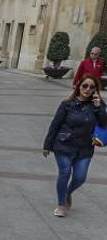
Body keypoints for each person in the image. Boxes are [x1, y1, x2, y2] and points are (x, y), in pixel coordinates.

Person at [43, 73, 107, 217]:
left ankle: (67, 193)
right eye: (85, 85)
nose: (88, 89)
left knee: (80, 177)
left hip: (85, 148)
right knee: (65, 172)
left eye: (92, 87)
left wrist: (98, 107)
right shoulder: (67, 104)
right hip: (64, 144)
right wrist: (47, 145)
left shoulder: (98, 105)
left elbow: (104, 124)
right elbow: (55, 125)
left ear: (95, 90)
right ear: (79, 87)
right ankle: (61, 204)